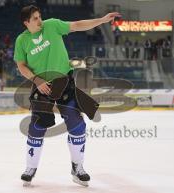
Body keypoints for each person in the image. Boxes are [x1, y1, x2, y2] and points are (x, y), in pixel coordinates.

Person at [14, 4, 120, 187]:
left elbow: (78, 25)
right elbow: (21, 65)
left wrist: (102, 20)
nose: (40, 21)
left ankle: (77, 168)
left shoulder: (53, 25)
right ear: (26, 23)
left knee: (77, 124)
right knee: (37, 127)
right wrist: (36, 80)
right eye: (35, 19)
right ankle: (30, 168)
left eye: (40, 16)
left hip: (64, 82)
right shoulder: (21, 40)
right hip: (42, 85)